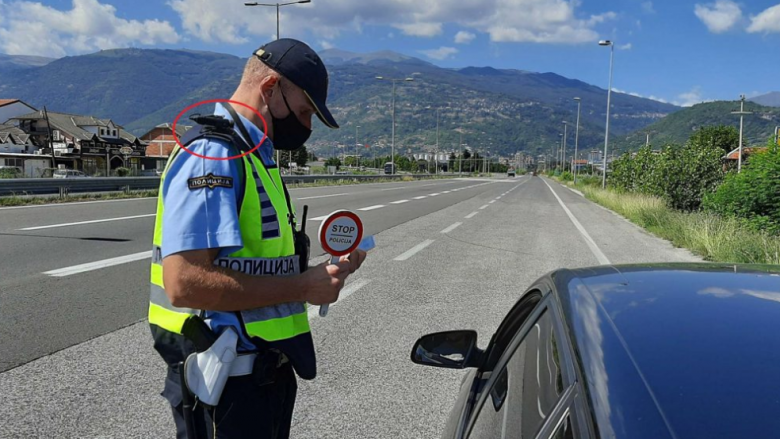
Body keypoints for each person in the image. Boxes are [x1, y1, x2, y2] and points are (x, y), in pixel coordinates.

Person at [148, 38, 367, 439]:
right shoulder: (214, 156)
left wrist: (319, 276)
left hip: (261, 378)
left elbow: (259, 260)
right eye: (304, 111)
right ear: (270, 89)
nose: (307, 126)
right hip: (225, 384)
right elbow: (183, 282)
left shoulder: (253, 156)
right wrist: (303, 286)